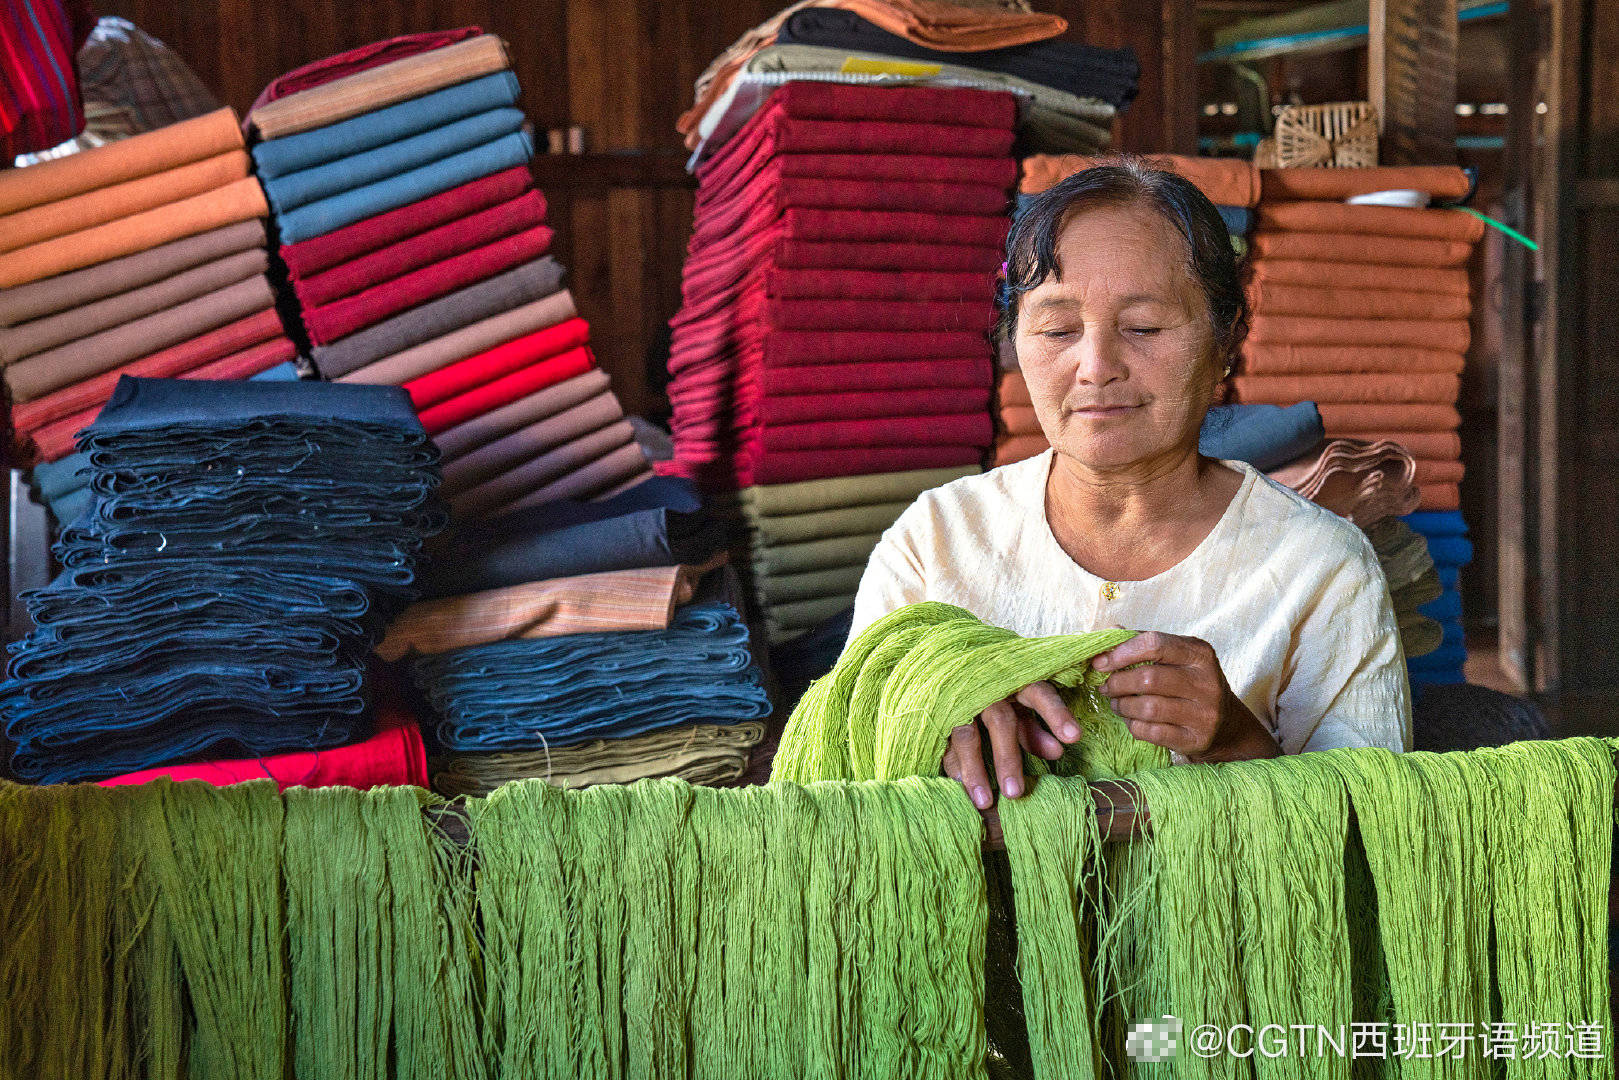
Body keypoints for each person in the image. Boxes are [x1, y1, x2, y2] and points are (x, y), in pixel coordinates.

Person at [847, 160, 1412, 808]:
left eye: (1143, 327)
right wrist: (926, 723)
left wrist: (1236, 742)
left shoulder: (1319, 570)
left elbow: (1374, 836)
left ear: (1225, 342)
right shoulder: (937, 543)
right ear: (1015, 340)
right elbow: (844, 777)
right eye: (1057, 329)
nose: (1095, 367)